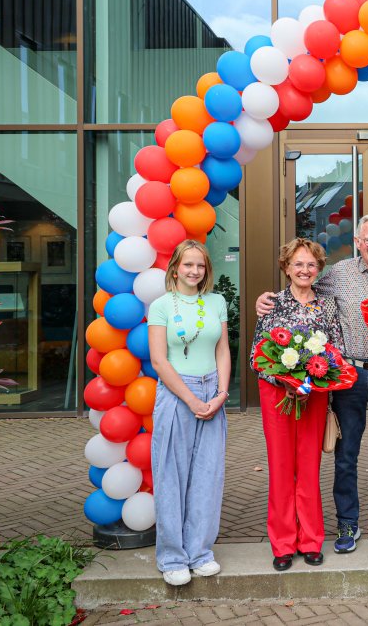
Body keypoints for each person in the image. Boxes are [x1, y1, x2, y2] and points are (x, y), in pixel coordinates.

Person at [257, 216, 368, 554]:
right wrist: (265, 300)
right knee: (347, 454)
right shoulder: (340, 273)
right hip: (351, 374)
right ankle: (347, 523)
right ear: (358, 241)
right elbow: (305, 286)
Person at [251, 238, 343, 571]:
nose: (305, 270)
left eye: (311, 264)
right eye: (298, 264)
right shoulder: (271, 304)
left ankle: (311, 539)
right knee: (280, 467)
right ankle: (283, 543)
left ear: (319, 269)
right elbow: (256, 357)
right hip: (277, 396)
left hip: (314, 395)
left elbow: (336, 353)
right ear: (286, 267)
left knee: (308, 467)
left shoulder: (329, 305)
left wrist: (311, 384)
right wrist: (287, 383)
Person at [148, 239, 231, 586]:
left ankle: (200, 553)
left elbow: (224, 350)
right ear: (175, 268)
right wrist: (192, 400)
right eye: (188, 265)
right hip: (176, 393)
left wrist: (222, 394)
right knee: (171, 475)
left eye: (200, 265)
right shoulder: (161, 305)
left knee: (207, 477)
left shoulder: (217, 301)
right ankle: (172, 557)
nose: (194, 271)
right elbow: (158, 360)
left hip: (213, 390)